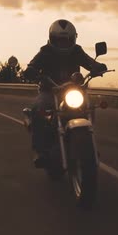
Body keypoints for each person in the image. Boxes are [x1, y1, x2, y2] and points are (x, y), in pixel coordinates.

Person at [23, 19, 107, 166]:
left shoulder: (77, 51)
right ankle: (40, 150)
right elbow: (33, 65)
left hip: (73, 90)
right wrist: (31, 70)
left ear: (73, 38)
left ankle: (88, 145)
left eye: (67, 40)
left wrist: (98, 66)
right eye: (60, 40)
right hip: (50, 91)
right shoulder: (45, 51)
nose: (64, 43)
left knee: (89, 106)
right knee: (39, 108)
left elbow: (89, 62)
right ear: (52, 39)